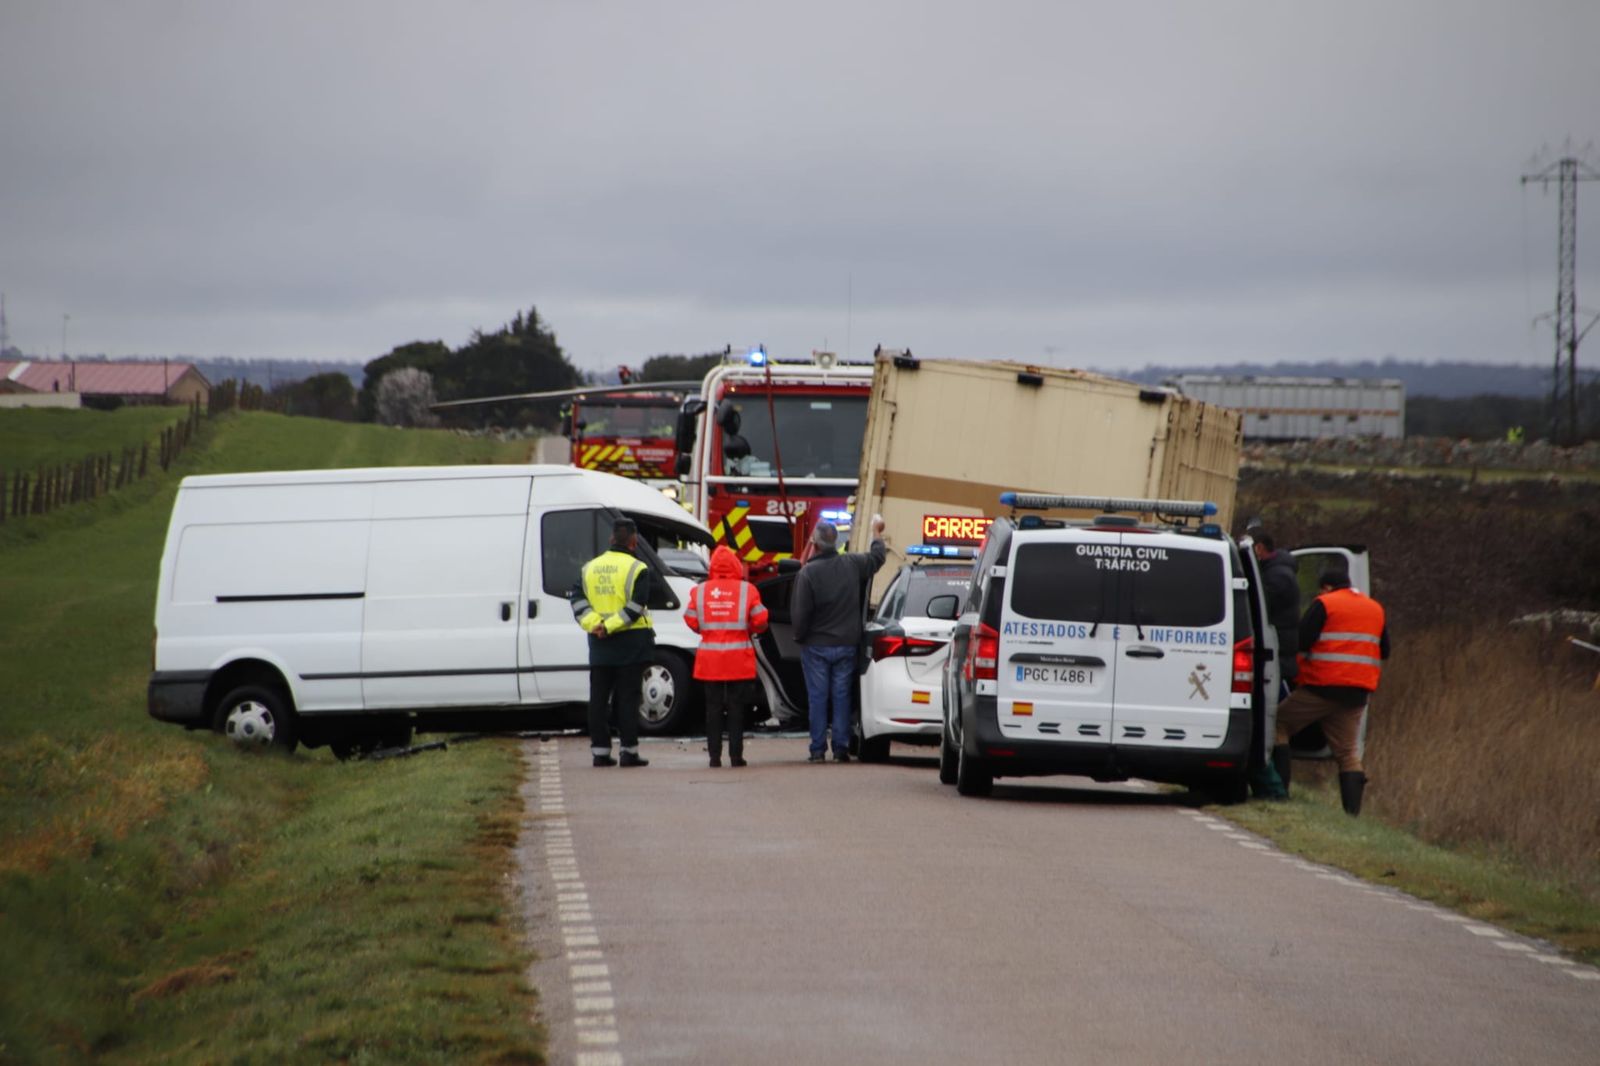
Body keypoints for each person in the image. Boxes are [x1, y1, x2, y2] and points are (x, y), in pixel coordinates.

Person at [1273, 563, 1390, 815]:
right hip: (1357, 693)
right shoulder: (1375, 608)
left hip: (1322, 687)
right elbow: (1385, 650)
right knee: (1348, 752)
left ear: (1326, 587)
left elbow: (1302, 640)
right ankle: (1352, 814)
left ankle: (1278, 794)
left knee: (1277, 725)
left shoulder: (1325, 603)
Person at [792, 515, 887, 763]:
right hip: (846, 644)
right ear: (836, 542)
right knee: (842, 697)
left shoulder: (808, 574)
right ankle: (842, 748)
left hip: (816, 646)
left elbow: (801, 614)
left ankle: (817, 750)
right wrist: (876, 532)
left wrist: (800, 637)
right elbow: (878, 558)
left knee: (818, 698)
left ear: (815, 543)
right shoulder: (852, 564)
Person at [571, 518, 654, 768]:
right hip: (631, 643)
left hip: (599, 644)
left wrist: (596, 624)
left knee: (598, 698)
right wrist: (609, 626)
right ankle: (628, 752)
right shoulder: (637, 568)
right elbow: (635, 607)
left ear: (611, 540)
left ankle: (600, 752)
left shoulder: (589, 568)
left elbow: (577, 601)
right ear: (633, 541)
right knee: (627, 699)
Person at [684, 545, 769, 767]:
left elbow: (691, 619)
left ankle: (714, 757)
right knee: (736, 710)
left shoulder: (700, 591)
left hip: (710, 661)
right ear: (735, 566)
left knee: (712, 710)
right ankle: (736, 756)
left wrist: (708, 631)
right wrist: (748, 628)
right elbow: (761, 619)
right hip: (738, 660)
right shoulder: (747, 590)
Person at [1252, 531, 1300, 801]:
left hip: (1278, 659)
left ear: (1260, 548)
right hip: (1279, 656)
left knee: (1276, 722)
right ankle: (1277, 787)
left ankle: (1279, 788)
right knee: (1276, 722)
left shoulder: (1277, 576)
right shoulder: (1280, 571)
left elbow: (1260, 608)